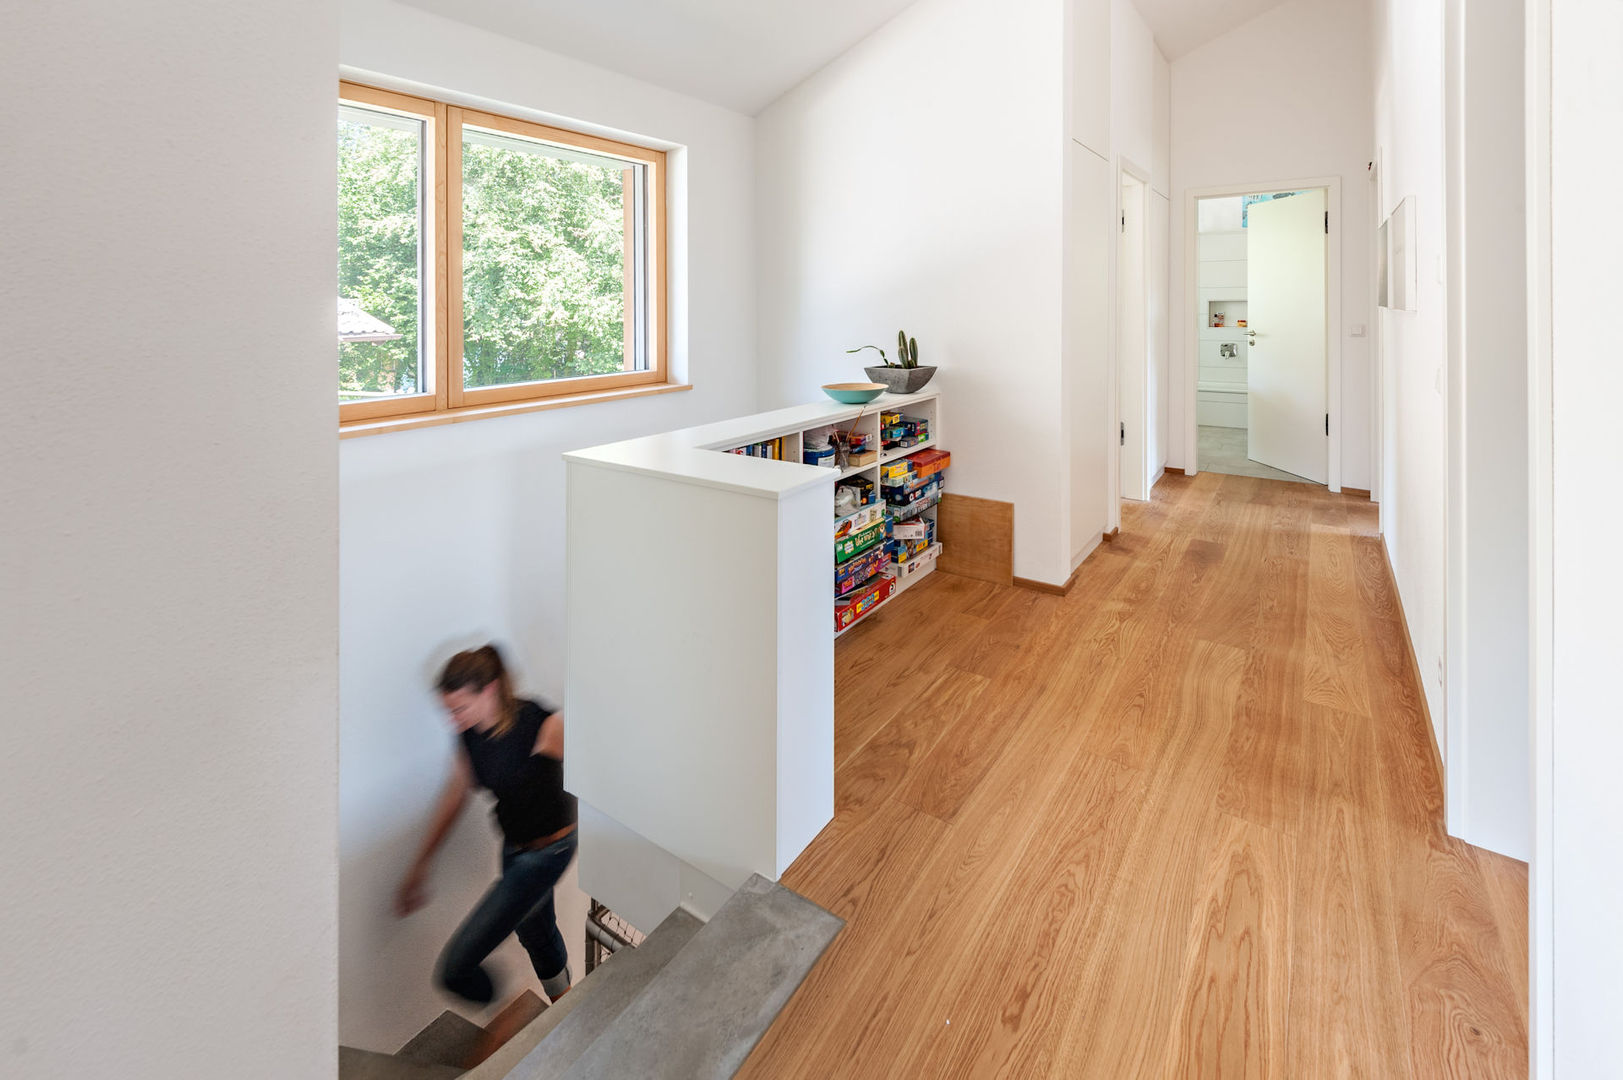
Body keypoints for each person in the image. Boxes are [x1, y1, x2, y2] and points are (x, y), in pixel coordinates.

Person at [395, 644, 578, 1014]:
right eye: (448, 711)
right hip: (514, 849)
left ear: (490, 690)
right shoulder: (469, 735)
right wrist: (421, 864)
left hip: (549, 852)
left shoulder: (541, 724)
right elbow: (454, 795)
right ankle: (568, 1008)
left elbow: (596, 766)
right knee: (537, 933)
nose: (454, 719)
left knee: (455, 969)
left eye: (460, 708)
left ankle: (511, 1011)